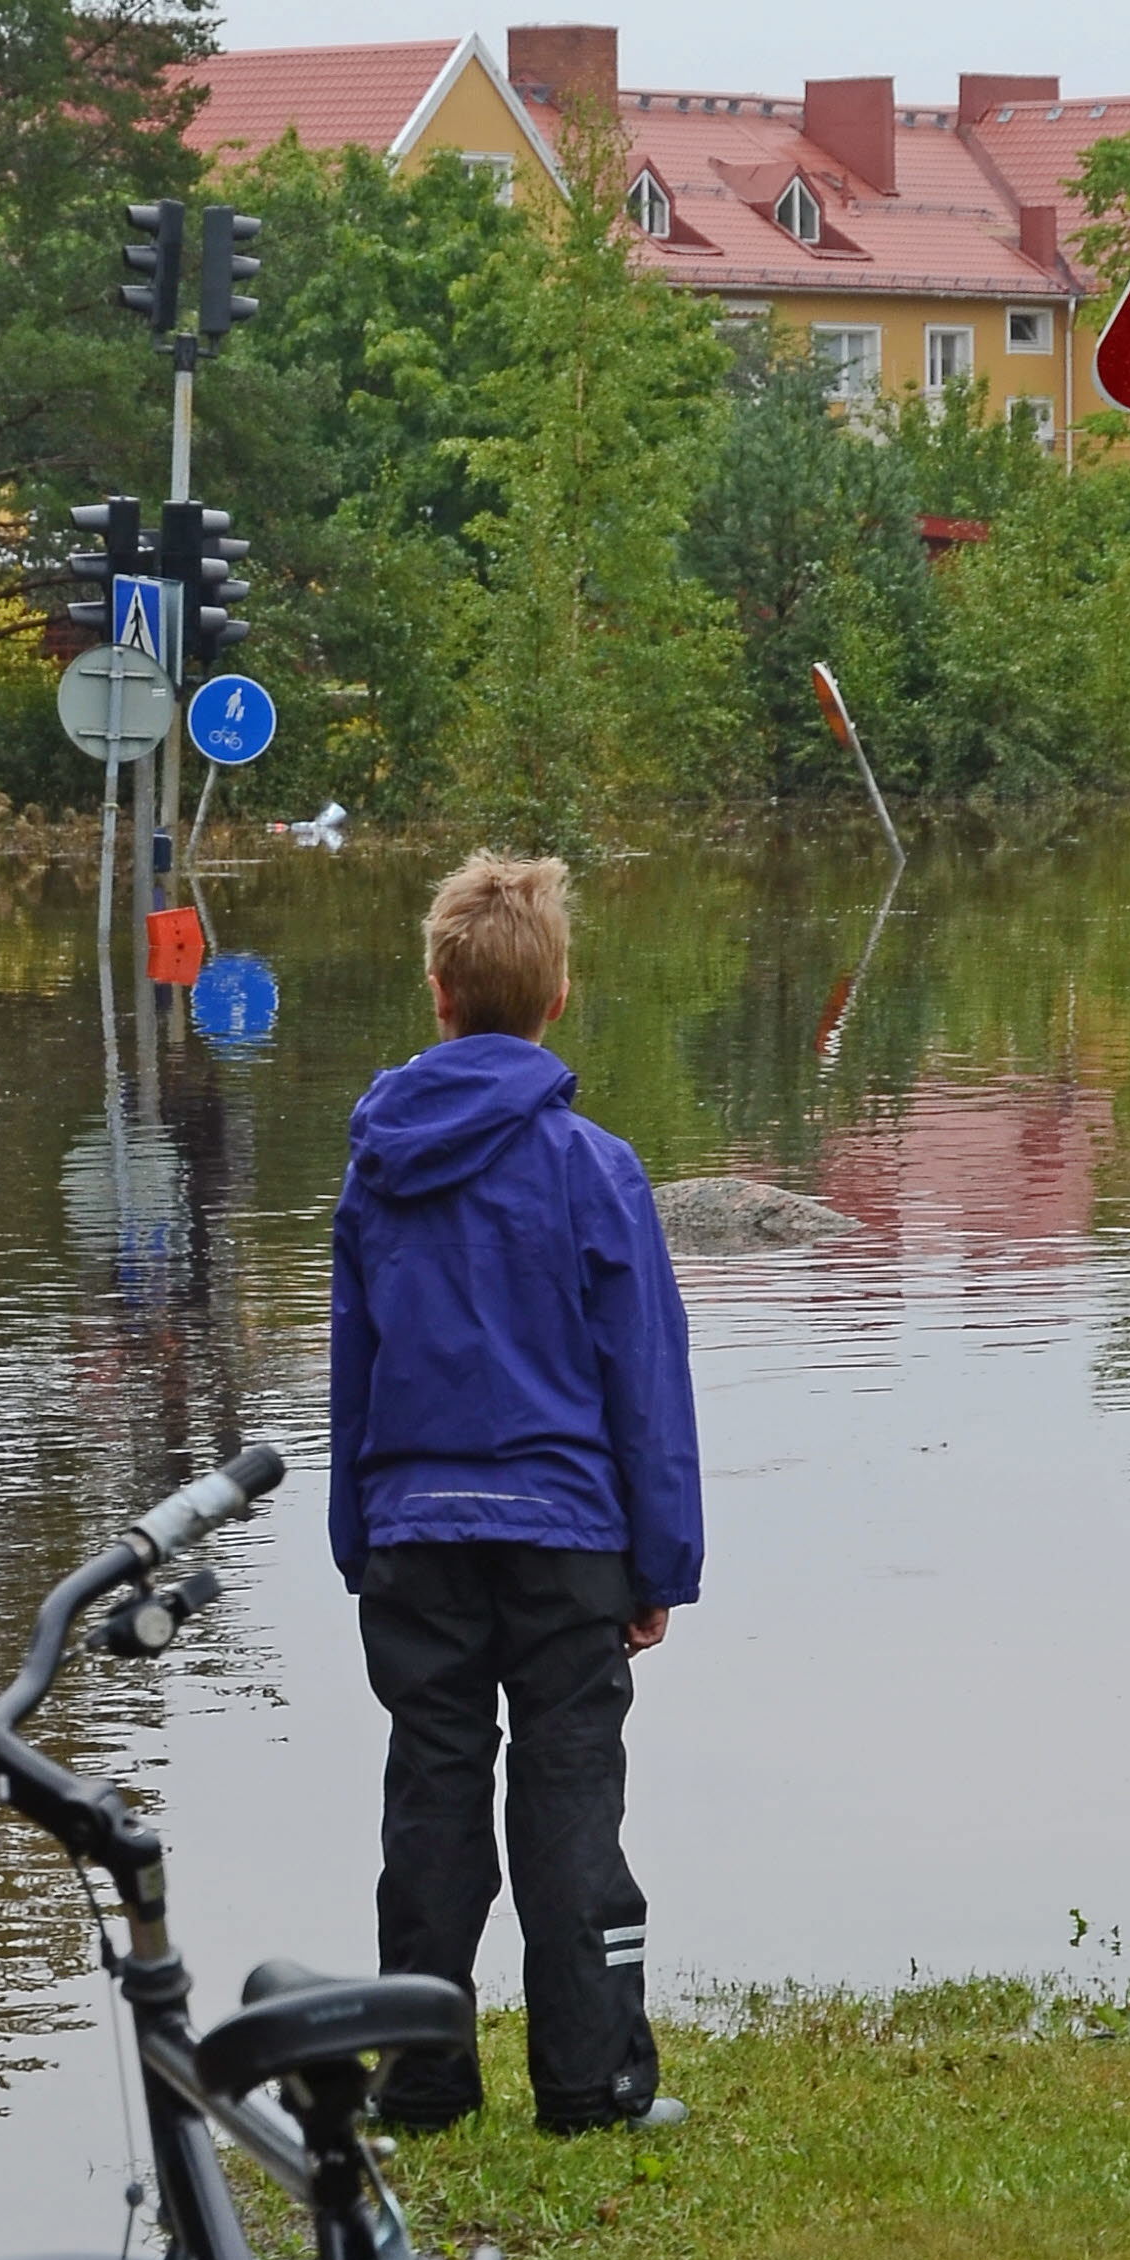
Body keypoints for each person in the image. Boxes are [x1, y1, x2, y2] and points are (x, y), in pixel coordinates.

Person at [327, 849, 699, 2135]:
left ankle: (420, 2079)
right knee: (568, 1801)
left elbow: (354, 1371)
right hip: (568, 1542)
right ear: (559, 1000)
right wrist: (662, 1566)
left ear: (437, 993)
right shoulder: (596, 1169)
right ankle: (590, 2082)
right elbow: (644, 1380)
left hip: (416, 1536)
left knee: (430, 1793)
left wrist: (354, 1539)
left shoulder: (377, 1165)